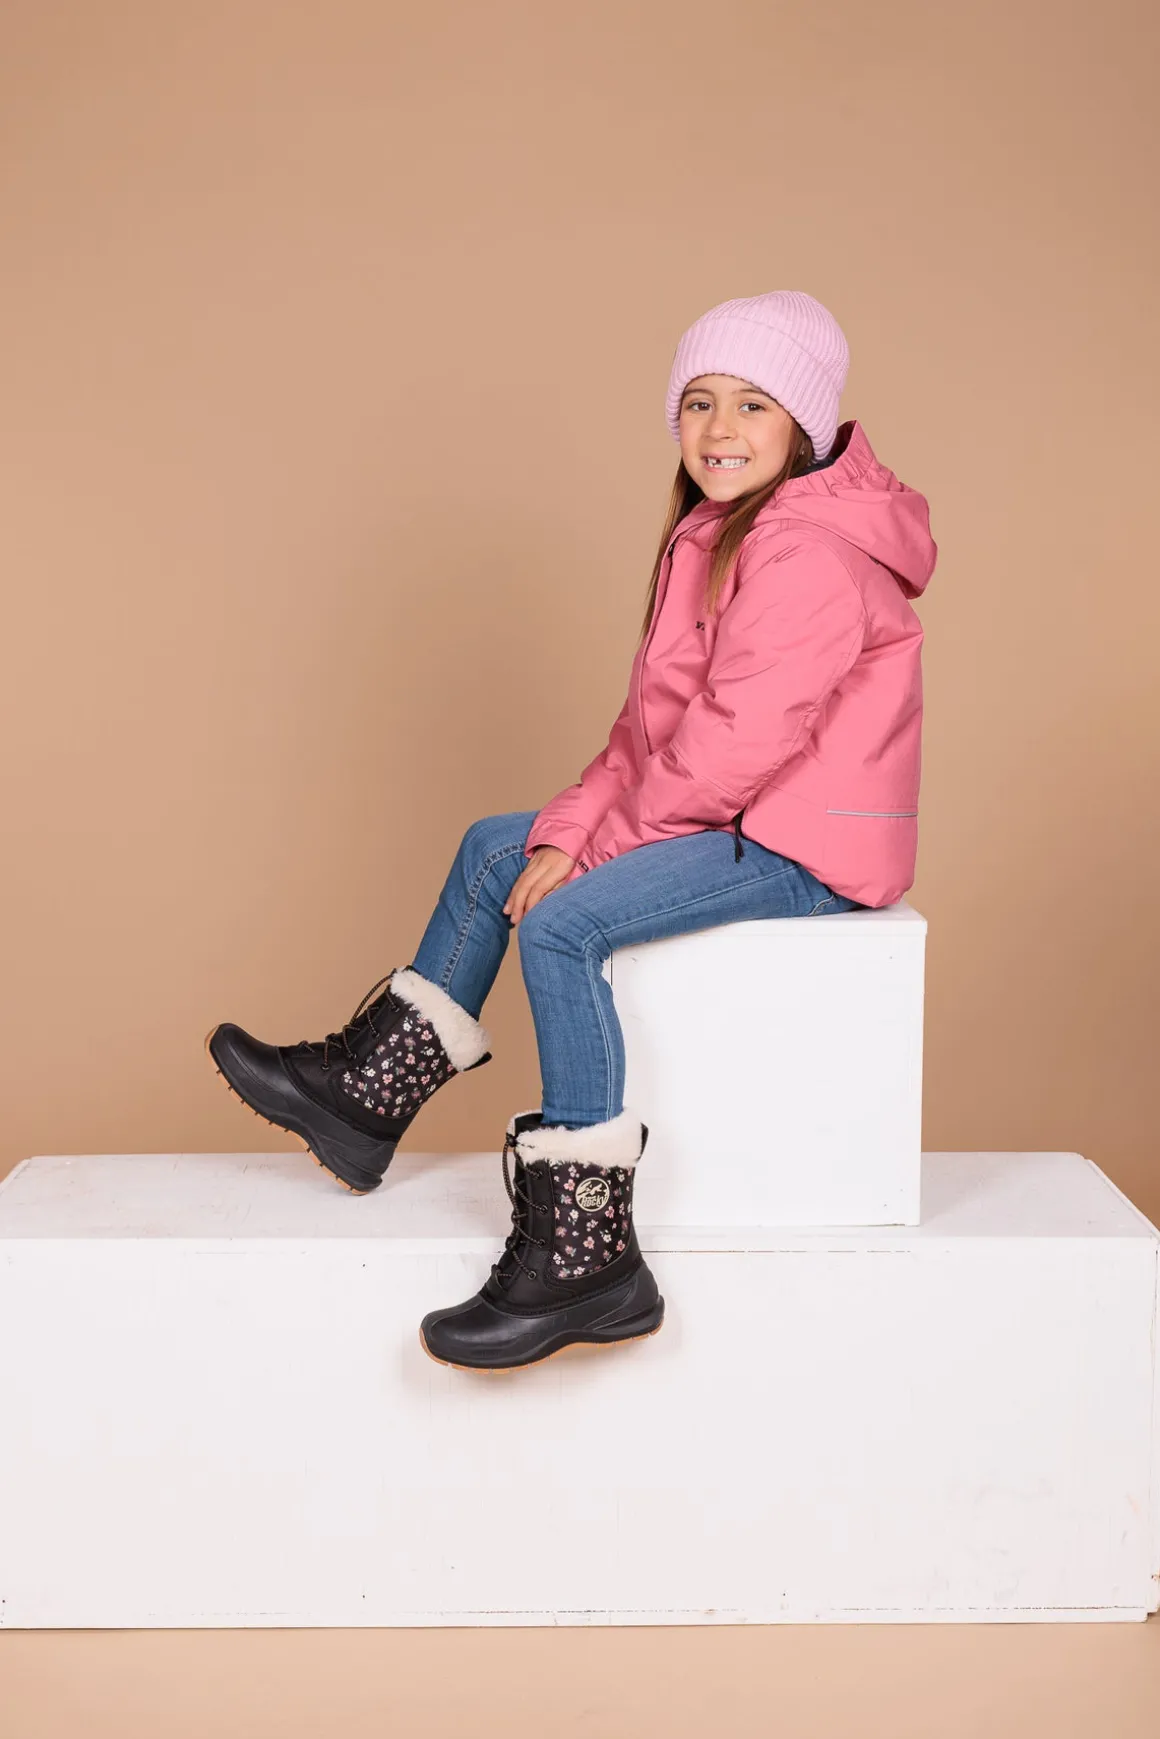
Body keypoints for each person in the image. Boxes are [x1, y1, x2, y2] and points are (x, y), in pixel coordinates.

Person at [207, 289, 938, 1372]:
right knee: (494, 846)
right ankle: (366, 1098)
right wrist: (570, 824)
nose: (718, 429)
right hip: (740, 809)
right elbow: (647, 734)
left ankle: (588, 1252)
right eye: (697, 402)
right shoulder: (718, 532)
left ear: (805, 425)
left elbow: (728, 750)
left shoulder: (807, 555)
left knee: (562, 922)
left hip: (808, 843)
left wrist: (588, 854)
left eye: (752, 405)